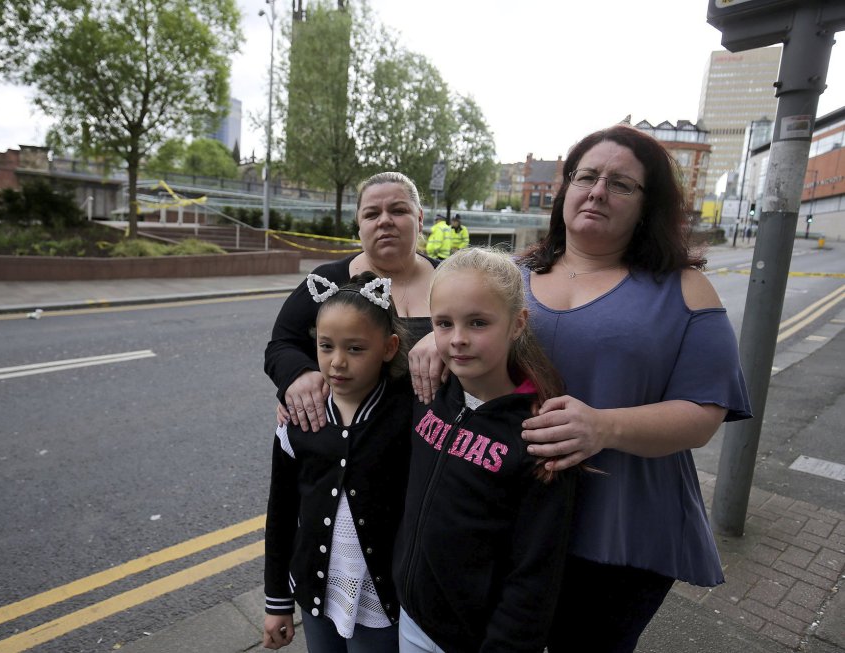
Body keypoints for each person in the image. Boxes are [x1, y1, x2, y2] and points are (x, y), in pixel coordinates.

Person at [409, 124, 751, 652]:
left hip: (620, 532)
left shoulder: (686, 290)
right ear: (565, 189)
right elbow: (457, 322)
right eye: (585, 176)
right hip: (504, 519)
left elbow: (704, 414)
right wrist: (436, 341)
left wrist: (604, 427)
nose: (597, 191)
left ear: (647, 203)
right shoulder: (509, 274)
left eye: (621, 184)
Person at [394, 247, 576, 653]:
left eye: (477, 323)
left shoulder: (538, 434)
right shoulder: (432, 394)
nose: (457, 340)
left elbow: (534, 574)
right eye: (444, 323)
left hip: (471, 639)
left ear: (517, 324)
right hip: (412, 616)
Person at [264, 272, 412, 652]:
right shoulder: (299, 417)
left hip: (382, 600)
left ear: (389, 347)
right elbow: (280, 513)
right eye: (326, 346)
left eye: (356, 349)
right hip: (316, 595)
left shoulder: (409, 413)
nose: (337, 363)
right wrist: (277, 600)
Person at [265, 171, 438, 433]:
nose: (385, 221)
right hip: (354, 450)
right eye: (371, 214)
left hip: (436, 448)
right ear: (359, 225)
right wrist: (298, 375)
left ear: (420, 218)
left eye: (398, 210)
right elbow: (281, 344)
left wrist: (446, 336)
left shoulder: (452, 281)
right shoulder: (325, 281)